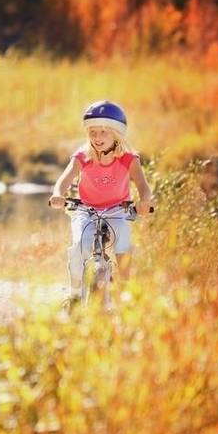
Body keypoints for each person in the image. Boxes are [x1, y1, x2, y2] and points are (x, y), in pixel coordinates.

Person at [48, 100, 153, 304]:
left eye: (104, 132)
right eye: (93, 132)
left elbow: (143, 186)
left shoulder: (128, 158)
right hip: (86, 210)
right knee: (79, 247)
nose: (97, 137)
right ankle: (75, 294)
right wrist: (58, 194)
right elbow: (65, 178)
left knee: (122, 242)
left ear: (117, 133)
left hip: (118, 211)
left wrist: (144, 201)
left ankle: (124, 293)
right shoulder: (83, 156)